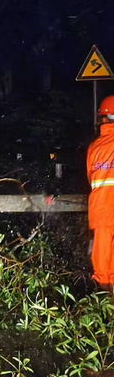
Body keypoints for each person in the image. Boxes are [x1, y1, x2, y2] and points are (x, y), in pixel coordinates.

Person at [87, 95, 114, 292]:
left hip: (100, 210)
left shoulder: (94, 147)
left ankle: (103, 306)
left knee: (101, 263)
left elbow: (91, 178)